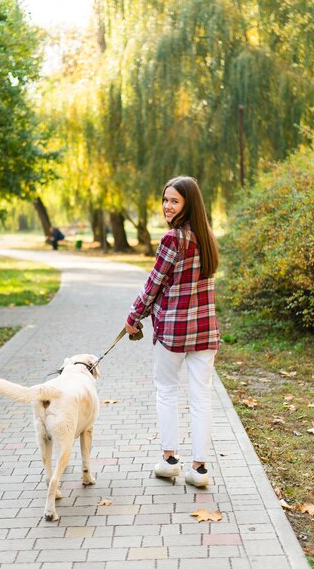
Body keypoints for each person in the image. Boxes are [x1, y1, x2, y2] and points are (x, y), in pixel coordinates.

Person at [125, 176, 220, 487]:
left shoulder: (172, 240)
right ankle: (200, 469)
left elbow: (153, 284)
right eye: (165, 199)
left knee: (167, 390)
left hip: (174, 332)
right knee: (201, 395)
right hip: (205, 330)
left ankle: (169, 460)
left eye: (174, 201)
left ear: (187, 204)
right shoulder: (207, 238)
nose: (167, 206)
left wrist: (134, 315)